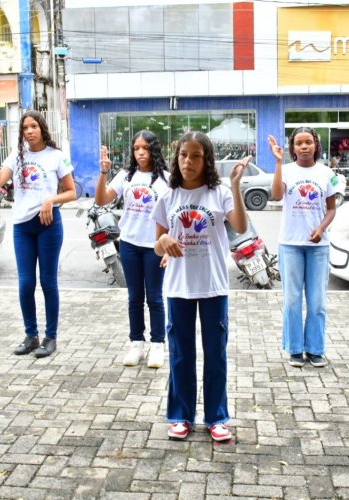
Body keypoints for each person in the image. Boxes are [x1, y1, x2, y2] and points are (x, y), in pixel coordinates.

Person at [152, 131, 249, 442]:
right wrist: (164, 240)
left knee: (215, 355)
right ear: (176, 158)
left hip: (213, 287)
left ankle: (216, 418)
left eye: (195, 156)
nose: (188, 161)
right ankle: (181, 416)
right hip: (178, 288)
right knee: (181, 354)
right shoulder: (168, 196)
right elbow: (157, 245)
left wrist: (234, 186)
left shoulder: (218, 193)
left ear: (206, 160)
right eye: (183, 155)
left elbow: (241, 226)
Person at [0, 111, 76, 358]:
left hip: (48, 225)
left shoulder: (56, 156)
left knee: (48, 282)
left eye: (34, 126)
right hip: (22, 227)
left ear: (42, 128)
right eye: (25, 127)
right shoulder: (17, 156)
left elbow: (71, 192)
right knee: (26, 283)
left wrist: (51, 200)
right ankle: (30, 335)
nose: (29, 131)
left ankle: (50, 338)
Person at [96, 131, 170, 368]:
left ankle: (158, 345)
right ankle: (136, 343)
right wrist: (103, 173)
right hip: (129, 244)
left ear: (153, 150)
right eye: (136, 148)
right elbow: (101, 200)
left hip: (155, 246)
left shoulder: (167, 180)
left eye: (145, 148)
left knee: (155, 298)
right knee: (134, 297)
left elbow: (173, 217)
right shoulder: (125, 176)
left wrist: (168, 247)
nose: (140, 152)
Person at [268, 128, 337, 368]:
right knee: (292, 301)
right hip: (290, 245)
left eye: (309, 142)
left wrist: (321, 228)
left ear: (316, 145)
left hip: (318, 247)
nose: (304, 146)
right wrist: (277, 163)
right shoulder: (286, 170)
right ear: (293, 147)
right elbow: (276, 195)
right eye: (299, 143)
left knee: (317, 302)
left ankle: (315, 349)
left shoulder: (326, 173)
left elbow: (331, 209)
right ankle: (295, 349)